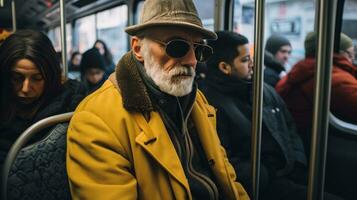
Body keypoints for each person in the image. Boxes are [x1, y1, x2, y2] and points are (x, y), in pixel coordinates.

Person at [66, 0, 249, 199]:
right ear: (138, 48)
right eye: (177, 47)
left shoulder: (197, 100)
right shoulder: (96, 120)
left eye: (198, 49)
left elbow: (227, 178)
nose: (192, 60)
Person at [201, 31, 343, 200]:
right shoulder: (209, 103)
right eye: (245, 60)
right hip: (262, 183)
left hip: (289, 170)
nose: (252, 64)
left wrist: (297, 161)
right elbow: (221, 160)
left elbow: (289, 126)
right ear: (225, 67)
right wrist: (262, 174)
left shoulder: (263, 90)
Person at [0, 30, 86, 169]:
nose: (26, 88)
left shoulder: (71, 105)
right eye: (17, 78)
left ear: (50, 76)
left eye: (37, 78)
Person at [276, 32, 357, 153]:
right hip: (321, 148)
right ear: (338, 53)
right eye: (350, 54)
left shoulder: (303, 72)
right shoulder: (332, 78)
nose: (352, 60)